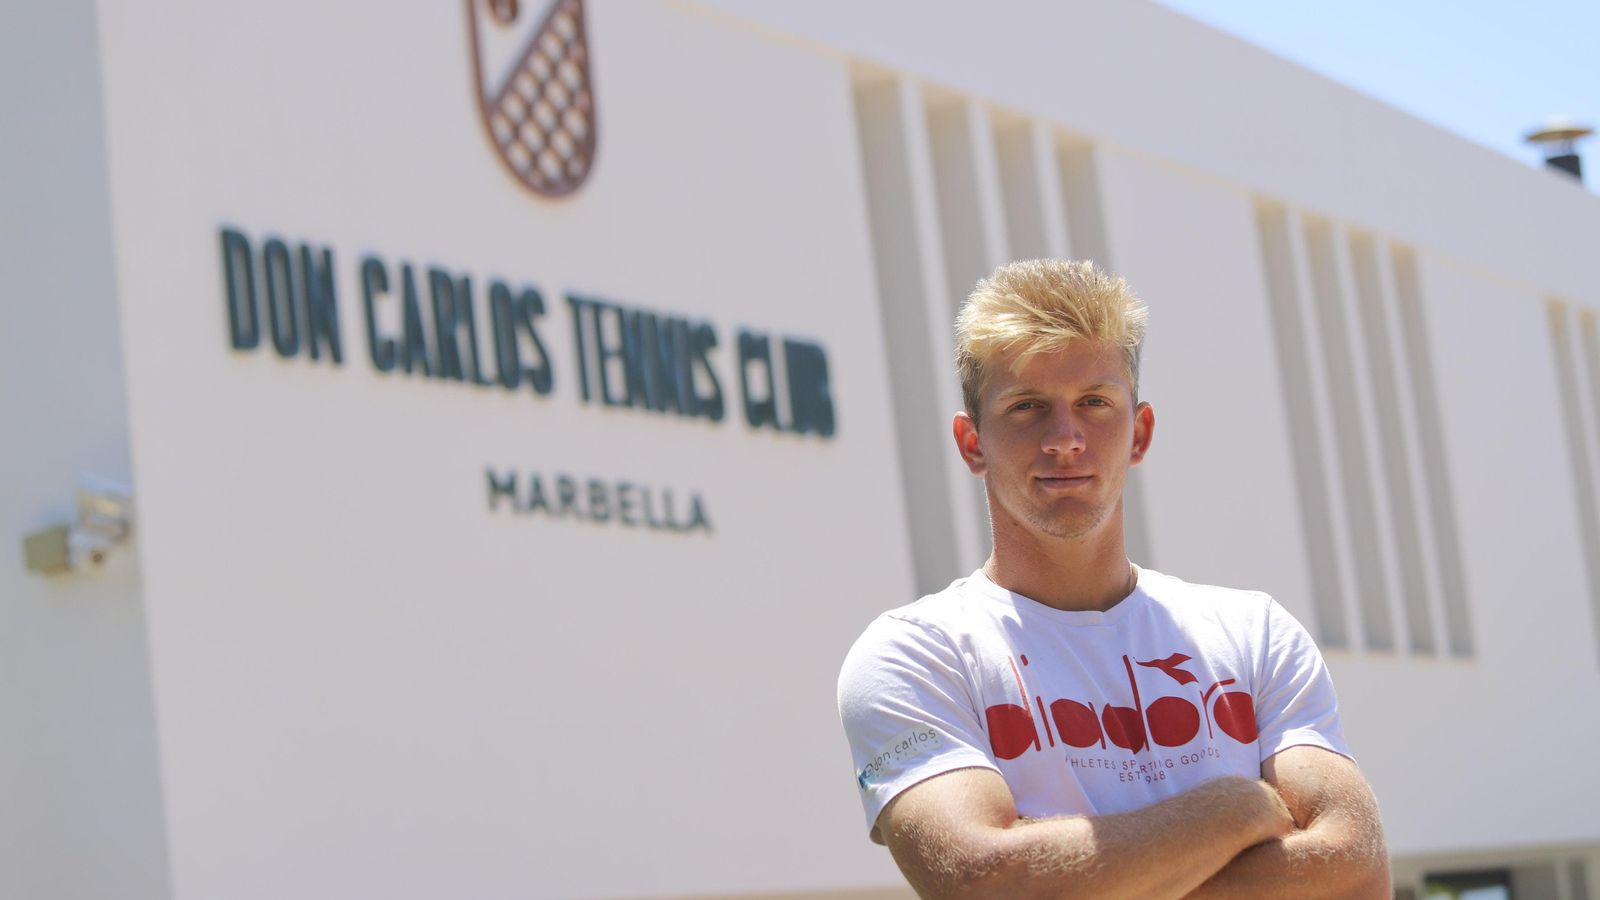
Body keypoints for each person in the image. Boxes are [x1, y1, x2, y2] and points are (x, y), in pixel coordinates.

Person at [837, 260, 1388, 898]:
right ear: (972, 443)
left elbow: (1359, 871)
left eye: (1094, 403)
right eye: (1026, 407)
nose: (1064, 439)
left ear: (1139, 433)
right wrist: (1237, 807)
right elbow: (986, 882)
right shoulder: (914, 656)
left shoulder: (1254, 635)